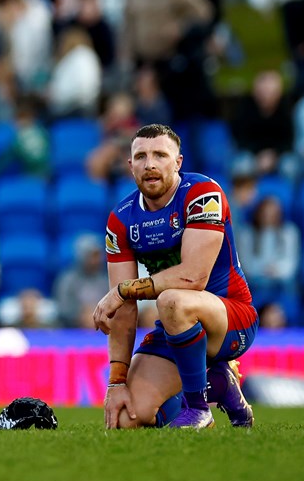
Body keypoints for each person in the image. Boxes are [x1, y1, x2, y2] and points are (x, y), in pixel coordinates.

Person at [92, 124, 257, 429]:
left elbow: (193, 278)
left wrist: (124, 290)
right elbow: (123, 309)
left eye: (160, 155)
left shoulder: (203, 194)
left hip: (232, 318)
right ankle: (216, 383)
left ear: (178, 162)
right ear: (130, 166)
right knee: (127, 417)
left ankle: (198, 408)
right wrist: (116, 383)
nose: (150, 164)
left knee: (172, 300)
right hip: (176, 324)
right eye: (140, 156)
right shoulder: (121, 219)